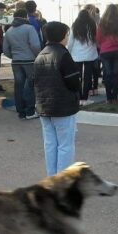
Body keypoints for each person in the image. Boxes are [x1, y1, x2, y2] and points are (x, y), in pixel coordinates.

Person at [34, 21, 80, 176]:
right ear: (62, 36)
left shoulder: (40, 55)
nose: (68, 37)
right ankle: (63, 180)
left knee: (50, 144)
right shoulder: (64, 55)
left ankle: (52, 177)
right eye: (67, 34)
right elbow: (73, 82)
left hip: (43, 107)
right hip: (63, 107)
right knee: (66, 145)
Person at [3, 9, 41, 119]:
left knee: (18, 86)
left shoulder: (9, 31)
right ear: (26, 17)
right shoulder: (29, 28)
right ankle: (30, 111)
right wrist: (37, 55)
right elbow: (35, 45)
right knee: (30, 86)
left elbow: (5, 49)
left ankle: (21, 111)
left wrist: (13, 56)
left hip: (16, 62)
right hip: (29, 61)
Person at [96, 4, 118, 104]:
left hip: (105, 51)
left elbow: (98, 38)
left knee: (108, 74)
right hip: (117, 50)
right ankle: (115, 97)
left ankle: (108, 98)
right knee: (115, 74)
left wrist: (103, 45)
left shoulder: (102, 23)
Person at [68, 10, 98, 106]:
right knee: (88, 77)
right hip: (90, 55)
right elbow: (96, 40)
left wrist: (68, 52)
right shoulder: (93, 25)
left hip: (76, 55)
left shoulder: (75, 26)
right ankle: (85, 98)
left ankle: (78, 98)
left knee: (78, 77)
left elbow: (70, 41)